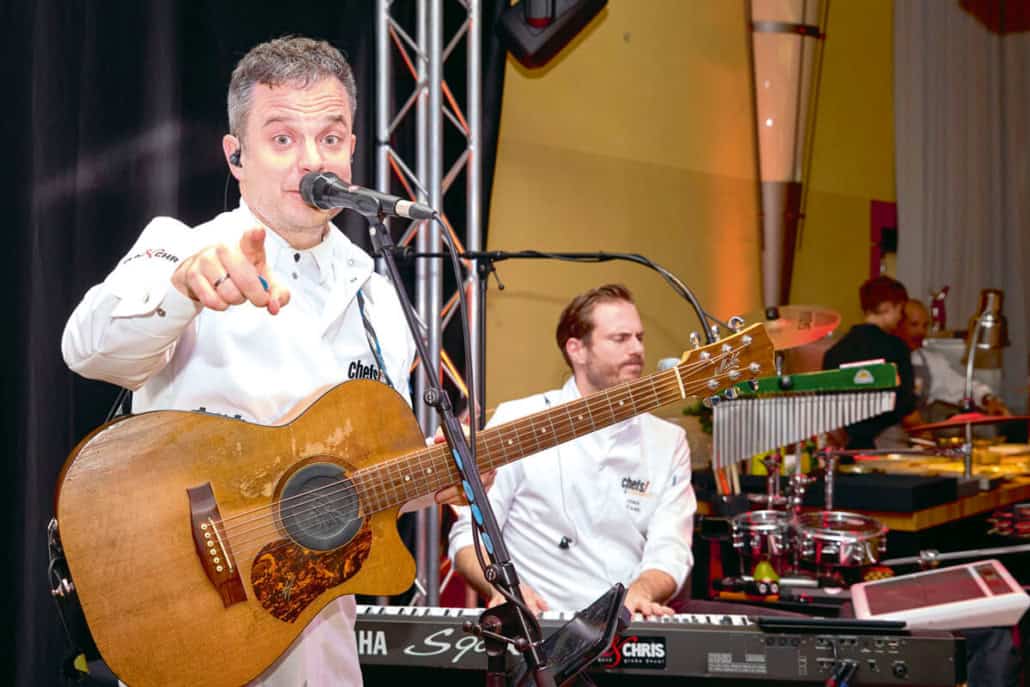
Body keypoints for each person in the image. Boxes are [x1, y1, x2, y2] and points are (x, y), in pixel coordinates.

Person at [61, 36, 459, 687]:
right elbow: (86, 347)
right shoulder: (183, 248)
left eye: (330, 138)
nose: (312, 160)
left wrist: (433, 479)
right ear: (236, 156)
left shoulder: (379, 298)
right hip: (196, 627)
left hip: (323, 641)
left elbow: (347, 489)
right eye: (282, 139)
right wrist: (181, 291)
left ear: (352, 151)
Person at [447, 284, 696, 617]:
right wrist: (505, 590)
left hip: (622, 625)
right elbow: (469, 536)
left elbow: (671, 548)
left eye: (640, 337)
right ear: (577, 350)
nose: (637, 349)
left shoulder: (668, 440)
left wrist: (643, 591)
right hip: (538, 623)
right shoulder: (519, 420)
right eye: (620, 338)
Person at [821, 276, 916, 449]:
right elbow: (905, 406)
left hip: (847, 447)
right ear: (887, 306)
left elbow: (827, 406)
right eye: (900, 310)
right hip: (887, 444)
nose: (900, 317)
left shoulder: (834, 353)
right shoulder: (896, 348)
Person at [895, 298, 1009, 417]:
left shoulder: (932, 362)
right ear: (897, 324)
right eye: (914, 324)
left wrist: (988, 399)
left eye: (925, 326)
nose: (921, 332)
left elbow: (962, 387)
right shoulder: (885, 359)